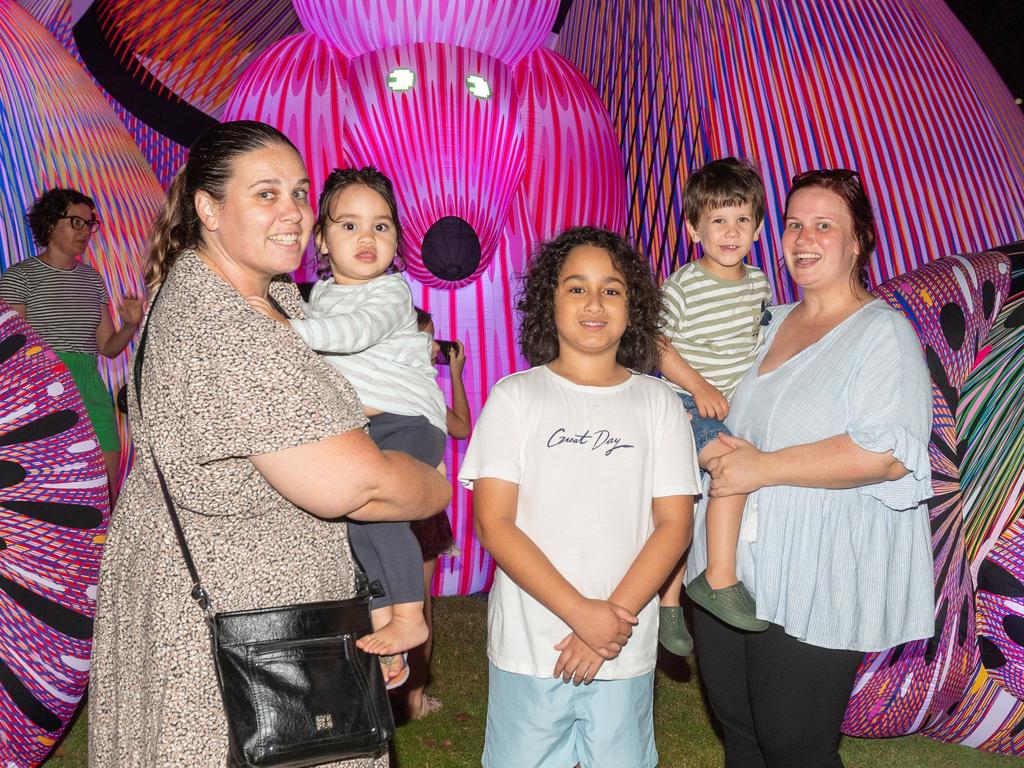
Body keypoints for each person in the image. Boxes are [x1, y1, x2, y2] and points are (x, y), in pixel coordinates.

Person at [87, 120, 451, 767]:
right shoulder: (231, 328)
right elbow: (358, 486)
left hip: (241, 611)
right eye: (266, 194)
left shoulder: (254, 295)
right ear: (208, 207)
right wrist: (434, 486)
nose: (292, 212)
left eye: (299, 192)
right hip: (247, 634)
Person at [687, 169, 934, 768]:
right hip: (726, 567)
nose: (804, 237)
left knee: (795, 745)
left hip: (816, 574)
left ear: (858, 242)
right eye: (795, 223)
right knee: (740, 734)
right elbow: (699, 394)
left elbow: (885, 452)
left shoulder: (882, 334)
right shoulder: (761, 320)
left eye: (825, 225)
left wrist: (759, 468)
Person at [461, 227, 701, 768]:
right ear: (550, 301)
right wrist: (580, 615)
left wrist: (607, 622)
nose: (594, 303)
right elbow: (495, 524)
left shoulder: (659, 403)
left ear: (633, 305)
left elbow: (674, 526)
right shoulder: (516, 397)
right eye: (576, 287)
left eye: (611, 289)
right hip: (531, 644)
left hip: (622, 647)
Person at [252, 166, 447, 689]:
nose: (367, 238)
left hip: (406, 422)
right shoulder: (315, 296)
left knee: (381, 517)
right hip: (362, 429)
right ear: (320, 238)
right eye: (350, 226)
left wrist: (282, 328)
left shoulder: (389, 292)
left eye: (381, 227)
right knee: (356, 526)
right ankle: (386, 635)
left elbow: (349, 334)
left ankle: (409, 616)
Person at [657, 157, 774, 653]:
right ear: (694, 227)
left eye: (742, 219)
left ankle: (667, 606)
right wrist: (700, 386)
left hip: (720, 409)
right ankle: (718, 579)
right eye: (718, 220)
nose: (730, 232)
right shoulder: (684, 284)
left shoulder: (759, 284)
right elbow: (655, 343)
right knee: (730, 468)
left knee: (682, 503)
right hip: (681, 400)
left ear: (758, 226)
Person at [0, 188, 141, 504]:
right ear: (50, 225)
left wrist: (131, 325)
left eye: (90, 224)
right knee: (51, 497)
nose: (85, 232)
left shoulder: (92, 279)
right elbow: (11, 350)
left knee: (105, 495)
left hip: (90, 387)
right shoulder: (19, 276)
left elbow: (107, 347)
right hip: (40, 391)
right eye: (76, 222)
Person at [402, 306, 472, 719]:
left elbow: (460, 428)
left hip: (392, 502)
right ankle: (412, 697)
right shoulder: (419, 387)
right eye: (428, 338)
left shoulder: (382, 380)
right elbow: (460, 426)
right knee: (418, 603)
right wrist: (456, 375)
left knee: (399, 601)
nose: (435, 348)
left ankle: (406, 693)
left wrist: (455, 377)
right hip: (417, 503)